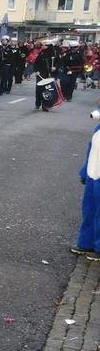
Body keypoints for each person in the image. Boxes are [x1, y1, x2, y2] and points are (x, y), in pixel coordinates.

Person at [71, 110, 100, 260]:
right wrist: (84, 172)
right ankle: (86, 242)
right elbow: (92, 150)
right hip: (94, 173)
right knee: (89, 208)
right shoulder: (98, 129)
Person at [34, 42, 57, 113]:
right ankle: (38, 103)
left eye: (44, 45)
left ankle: (46, 105)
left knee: (47, 90)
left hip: (50, 74)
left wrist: (55, 67)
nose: (43, 46)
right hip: (41, 74)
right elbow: (36, 63)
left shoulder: (54, 54)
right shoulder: (41, 53)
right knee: (38, 89)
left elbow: (60, 62)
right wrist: (36, 71)